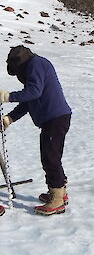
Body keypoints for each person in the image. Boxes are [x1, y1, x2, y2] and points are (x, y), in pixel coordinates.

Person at [0, 45, 72, 216]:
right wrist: (9, 118)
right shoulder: (36, 65)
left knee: (50, 158)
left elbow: (33, 92)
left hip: (55, 119)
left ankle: (57, 200)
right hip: (54, 119)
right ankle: (60, 192)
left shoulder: (36, 65)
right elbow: (29, 101)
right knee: (52, 156)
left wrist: (8, 97)